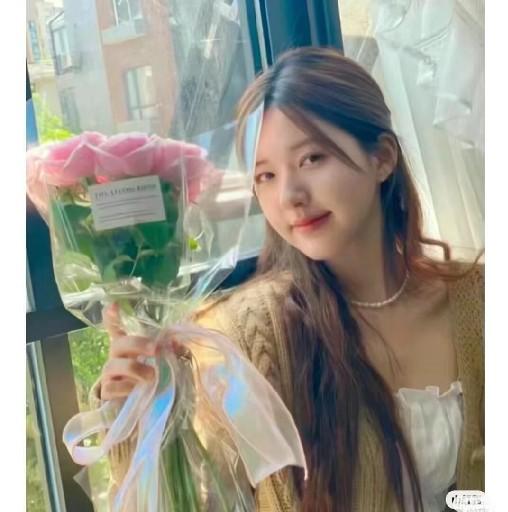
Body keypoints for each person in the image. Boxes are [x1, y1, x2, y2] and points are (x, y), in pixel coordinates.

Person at [95, 47, 484, 512]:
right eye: (265, 175)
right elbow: (192, 501)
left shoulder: (480, 301)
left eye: (312, 158)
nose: (290, 196)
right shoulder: (241, 338)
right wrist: (139, 419)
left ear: (382, 158)